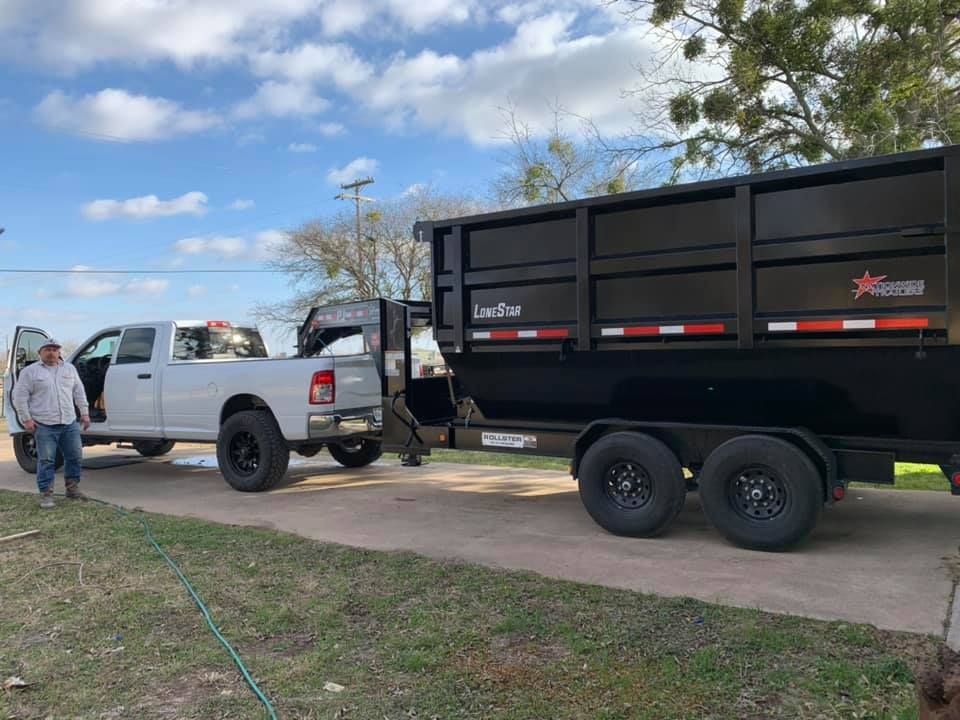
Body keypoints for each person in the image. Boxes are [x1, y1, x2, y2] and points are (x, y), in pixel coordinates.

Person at [11, 338, 91, 508]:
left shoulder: (69, 369)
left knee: (75, 457)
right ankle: (46, 494)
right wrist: (26, 419)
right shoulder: (30, 372)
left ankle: (72, 489)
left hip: (69, 422)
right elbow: (20, 397)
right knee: (47, 460)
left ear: (59, 352)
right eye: (47, 349)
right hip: (44, 425)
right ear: (40, 353)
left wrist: (84, 413)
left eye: (55, 349)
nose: (51, 352)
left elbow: (79, 392)